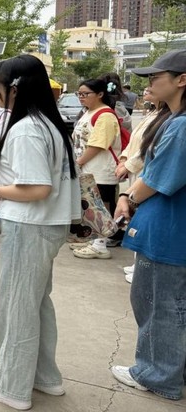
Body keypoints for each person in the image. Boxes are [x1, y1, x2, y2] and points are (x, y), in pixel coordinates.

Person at [0, 55, 79, 410]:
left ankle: (11, 386)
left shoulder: (26, 128)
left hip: (29, 226)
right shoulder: (47, 123)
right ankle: (45, 377)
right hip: (45, 226)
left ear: (14, 88)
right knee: (35, 304)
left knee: (16, 306)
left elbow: (36, 188)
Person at [110, 48, 186, 400]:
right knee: (169, 304)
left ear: (182, 80)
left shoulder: (181, 126)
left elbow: (156, 179)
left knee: (159, 305)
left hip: (170, 230)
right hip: (169, 226)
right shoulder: (172, 119)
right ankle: (170, 370)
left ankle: (158, 375)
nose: (150, 82)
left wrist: (129, 197)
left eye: (156, 76)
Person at [69, 74, 123, 259]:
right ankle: (93, 239)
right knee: (90, 206)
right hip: (88, 168)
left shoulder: (105, 115)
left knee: (101, 207)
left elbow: (98, 144)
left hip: (101, 170)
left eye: (85, 94)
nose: (81, 97)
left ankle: (101, 244)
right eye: (79, 93)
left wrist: (78, 162)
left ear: (100, 94)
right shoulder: (88, 112)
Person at [115, 87, 158, 284]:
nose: (148, 87)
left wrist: (128, 165)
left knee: (142, 217)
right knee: (136, 219)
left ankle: (142, 266)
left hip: (145, 175)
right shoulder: (153, 113)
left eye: (154, 80)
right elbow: (134, 141)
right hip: (137, 174)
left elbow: (148, 150)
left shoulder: (171, 118)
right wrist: (124, 159)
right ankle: (137, 263)